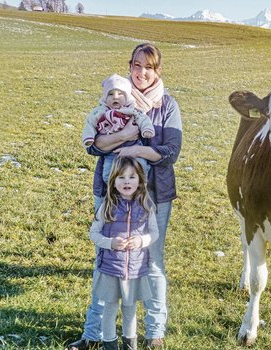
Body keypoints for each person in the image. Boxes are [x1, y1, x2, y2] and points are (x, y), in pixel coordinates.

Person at [68, 42, 182, 350]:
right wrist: (124, 135)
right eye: (136, 65)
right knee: (104, 260)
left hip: (154, 195)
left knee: (152, 261)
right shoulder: (113, 98)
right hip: (109, 194)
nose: (141, 72)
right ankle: (93, 334)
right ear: (129, 66)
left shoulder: (168, 105)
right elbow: (93, 145)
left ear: (157, 71)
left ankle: (154, 332)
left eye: (149, 67)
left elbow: (170, 152)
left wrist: (134, 149)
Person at [89, 156, 158, 350]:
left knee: (130, 310)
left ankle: (130, 345)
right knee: (110, 309)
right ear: (113, 181)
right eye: (121, 177)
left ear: (140, 180)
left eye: (131, 177)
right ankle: (110, 345)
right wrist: (110, 243)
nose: (126, 181)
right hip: (111, 268)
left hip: (135, 269)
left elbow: (154, 233)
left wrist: (141, 241)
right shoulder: (107, 206)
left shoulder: (146, 206)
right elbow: (93, 233)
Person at [81, 73, 155, 183]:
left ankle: (139, 186)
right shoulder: (100, 112)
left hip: (134, 147)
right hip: (112, 151)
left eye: (120, 94)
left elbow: (143, 119)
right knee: (108, 173)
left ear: (127, 97)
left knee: (141, 167)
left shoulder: (132, 110)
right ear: (105, 97)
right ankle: (114, 188)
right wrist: (88, 137)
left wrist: (147, 129)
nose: (115, 97)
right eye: (111, 94)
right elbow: (90, 123)